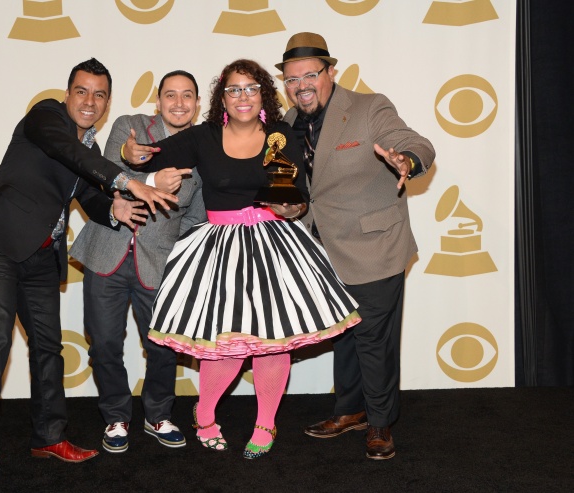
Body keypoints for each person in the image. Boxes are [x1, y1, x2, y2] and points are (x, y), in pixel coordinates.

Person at [123, 59, 361, 459]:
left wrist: (292, 209)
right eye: (234, 89)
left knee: (274, 343)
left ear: (264, 95)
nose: (243, 96)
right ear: (222, 98)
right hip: (221, 251)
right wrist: (130, 153)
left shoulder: (281, 134)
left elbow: (299, 194)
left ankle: (266, 422)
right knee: (227, 344)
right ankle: (205, 415)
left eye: (251, 88)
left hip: (275, 246)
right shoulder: (203, 136)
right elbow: (149, 157)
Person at [0, 58, 177, 474]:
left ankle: (49, 438)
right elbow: (70, 154)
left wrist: (115, 210)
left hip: (43, 255)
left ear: (107, 102)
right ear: (67, 93)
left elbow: (90, 196)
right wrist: (129, 181)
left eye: (99, 95)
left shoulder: (90, 148)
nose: (90, 101)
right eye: (82, 91)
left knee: (48, 349)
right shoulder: (45, 117)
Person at [275, 32, 436, 460]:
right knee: (343, 334)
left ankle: (380, 422)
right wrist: (289, 207)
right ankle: (350, 411)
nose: (301, 85)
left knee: (372, 338)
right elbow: (307, 191)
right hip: (322, 251)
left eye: (310, 75)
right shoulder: (287, 123)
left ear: (331, 71)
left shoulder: (369, 107)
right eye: (291, 79)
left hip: (374, 245)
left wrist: (406, 160)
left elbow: (416, 143)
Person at [69, 70, 205, 453]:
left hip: (159, 264)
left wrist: (179, 258)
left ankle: (158, 414)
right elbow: (107, 175)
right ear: (158, 101)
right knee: (104, 344)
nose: (179, 103)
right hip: (106, 253)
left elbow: (195, 217)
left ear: (197, 104)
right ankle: (116, 416)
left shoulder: (203, 151)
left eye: (187, 95)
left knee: (162, 346)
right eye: (170, 95)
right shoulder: (129, 127)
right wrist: (150, 177)